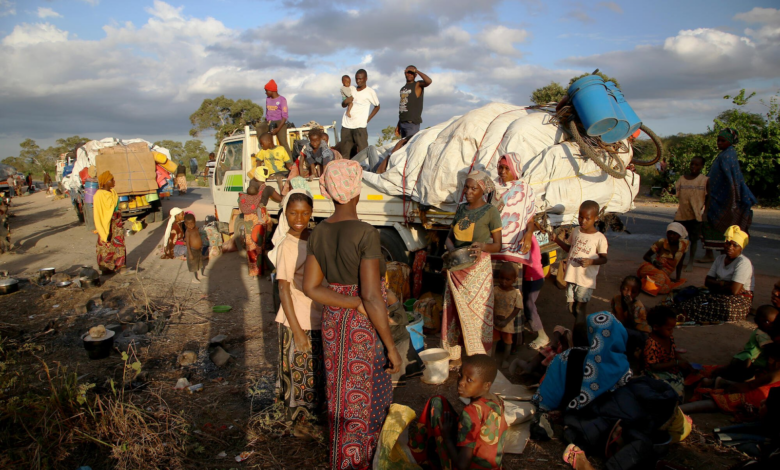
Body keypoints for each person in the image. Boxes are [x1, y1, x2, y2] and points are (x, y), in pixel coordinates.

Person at [302, 159, 401, 469]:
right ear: (357, 190)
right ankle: (363, 461)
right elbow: (371, 296)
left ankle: (342, 458)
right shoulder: (365, 233)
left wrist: (347, 302)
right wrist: (391, 346)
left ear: (330, 192)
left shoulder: (318, 231)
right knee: (368, 393)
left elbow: (312, 287)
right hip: (363, 323)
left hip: (335, 320)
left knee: (341, 391)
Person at [272, 189, 326, 426]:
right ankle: (299, 425)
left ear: (312, 214)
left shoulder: (315, 238)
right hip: (298, 319)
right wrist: (296, 331)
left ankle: (313, 420)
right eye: (293, 213)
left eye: (304, 213)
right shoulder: (287, 245)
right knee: (300, 374)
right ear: (285, 213)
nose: (299, 219)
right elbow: (283, 289)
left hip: (317, 315)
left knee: (314, 372)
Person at [442, 170, 502, 362]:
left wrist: (482, 246)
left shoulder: (491, 212)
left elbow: (498, 245)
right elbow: (449, 237)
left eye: (473, 188)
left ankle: (477, 358)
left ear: (482, 190)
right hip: (456, 267)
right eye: (466, 187)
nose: (468, 191)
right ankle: (456, 355)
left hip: (477, 270)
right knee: (455, 312)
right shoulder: (461, 209)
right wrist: (451, 250)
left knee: (476, 314)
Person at [408, 354, 508, 470]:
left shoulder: (471, 411)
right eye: (460, 375)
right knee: (441, 403)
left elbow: (462, 465)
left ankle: (420, 455)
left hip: (466, 465)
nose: (461, 382)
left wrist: (447, 438)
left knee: (435, 404)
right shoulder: (498, 401)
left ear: (486, 385)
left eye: (469, 380)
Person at [491, 153, 547, 350]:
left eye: (507, 168)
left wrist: (527, 234)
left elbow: (530, 217)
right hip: (494, 248)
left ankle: (514, 341)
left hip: (514, 249)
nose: (503, 172)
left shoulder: (525, 189)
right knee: (496, 295)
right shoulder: (492, 187)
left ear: (515, 170)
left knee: (514, 296)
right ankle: (495, 337)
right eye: (500, 167)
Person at [699, 128, 757, 263]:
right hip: (715, 197)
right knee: (709, 224)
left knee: (719, 227)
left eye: (722, 140)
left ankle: (721, 255)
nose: (719, 143)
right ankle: (710, 254)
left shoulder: (728, 156)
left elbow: (732, 179)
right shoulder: (724, 154)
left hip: (723, 199)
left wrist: (733, 198)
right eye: (718, 140)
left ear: (730, 142)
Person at [679, 225, 754, 323]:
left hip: (738, 300)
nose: (730, 247)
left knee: (706, 309)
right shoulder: (720, 259)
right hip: (719, 294)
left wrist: (717, 283)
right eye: (727, 243)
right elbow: (707, 281)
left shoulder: (743, 262)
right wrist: (724, 284)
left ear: (741, 248)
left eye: (735, 245)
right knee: (688, 302)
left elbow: (734, 290)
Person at [682, 343, 780, 417]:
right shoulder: (767, 373)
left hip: (759, 398)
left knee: (723, 399)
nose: (768, 363)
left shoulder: (768, 384)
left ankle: (680, 409)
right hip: (758, 391)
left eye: (770, 361)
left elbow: (760, 383)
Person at [554, 200, 608, 320]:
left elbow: (604, 259)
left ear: (596, 218)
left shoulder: (600, 238)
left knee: (580, 309)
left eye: (587, 218)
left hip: (585, 281)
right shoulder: (576, 231)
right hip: (572, 276)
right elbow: (570, 248)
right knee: (572, 308)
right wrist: (556, 240)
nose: (583, 221)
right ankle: (581, 326)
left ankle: (581, 330)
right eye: (580, 217)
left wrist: (591, 262)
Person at [705, 305, 778, 383]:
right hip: (746, 358)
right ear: (756, 321)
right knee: (742, 375)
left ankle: (716, 377)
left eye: (774, 323)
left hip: (750, 360)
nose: (771, 325)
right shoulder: (761, 334)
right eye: (767, 322)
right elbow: (769, 348)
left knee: (733, 371)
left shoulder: (766, 332)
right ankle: (719, 379)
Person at [644, 306, 693, 399]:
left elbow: (673, 352)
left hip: (671, 369)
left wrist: (683, 362)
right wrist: (676, 363)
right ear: (656, 327)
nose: (672, 332)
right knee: (674, 394)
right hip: (657, 373)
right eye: (669, 329)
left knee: (695, 373)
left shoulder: (668, 338)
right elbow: (653, 366)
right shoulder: (651, 344)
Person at [238, 174, 281, 277]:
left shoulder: (244, 201)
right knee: (260, 248)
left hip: (249, 231)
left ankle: (253, 271)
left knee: (251, 249)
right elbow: (279, 199)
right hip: (258, 229)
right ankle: (261, 270)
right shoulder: (258, 200)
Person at [673, 156, 707, 271]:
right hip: (682, 214)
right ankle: (676, 259)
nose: (693, 166)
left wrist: (705, 213)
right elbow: (677, 193)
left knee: (693, 239)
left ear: (702, 166)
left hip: (696, 215)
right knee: (676, 237)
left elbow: (708, 197)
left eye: (697, 165)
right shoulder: (682, 179)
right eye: (692, 164)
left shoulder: (704, 180)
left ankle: (690, 261)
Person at [637, 222, 689, 296]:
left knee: (666, 288)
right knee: (660, 278)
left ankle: (643, 282)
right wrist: (654, 261)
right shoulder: (661, 242)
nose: (671, 236)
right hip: (652, 267)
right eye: (669, 233)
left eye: (674, 234)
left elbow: (680, 262)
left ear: (679, 235)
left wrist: (678, 278)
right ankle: (645, 284)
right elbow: (646, 256)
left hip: (665, 273)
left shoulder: (684, 245)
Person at [340, 69, 380, 159]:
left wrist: (367, 119)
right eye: (357, 79)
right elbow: (343, 104)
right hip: (346, 125)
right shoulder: (351, 89)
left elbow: (377, 106)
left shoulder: (370, 92)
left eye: (361, 79)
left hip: (360, 127)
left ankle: (365, 171)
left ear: (366, 79)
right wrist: (346, 101)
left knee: (363, 153)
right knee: (346, 154)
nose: (358, 81)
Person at [93, 171, 126, 274]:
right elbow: (98, 213)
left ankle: (120, 266)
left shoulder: (113, 192)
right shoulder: (99, 195)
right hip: (105, 222)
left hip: (116, 222)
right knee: (105, 244)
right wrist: (102, 228)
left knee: (118, 243)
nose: (114, 182)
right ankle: (105, 267)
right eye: (112, 180)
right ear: (106, 182)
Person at [611, 275, 649, 360]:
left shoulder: (638, 306)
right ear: (621, 287)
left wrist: (629, 306)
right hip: (623, 328)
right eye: (626, 289)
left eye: (633, 292)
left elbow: (633, 325)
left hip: (639, 334)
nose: (628, 294)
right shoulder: (616, 299)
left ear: (638, 293)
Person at [492, 263, 522, 368]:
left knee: (508, 342)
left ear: (514, 280)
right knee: (494, 340)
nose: (504, 282)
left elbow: (518, 308)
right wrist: (494, 318)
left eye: (507, 279)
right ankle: (491, 358)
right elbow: (490, 304)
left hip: (508, 323)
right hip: (495, 321)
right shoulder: (495, 290)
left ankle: (505, 360)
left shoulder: (516, 293)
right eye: (501, 278)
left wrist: (507, 320)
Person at [257, 79, 291, 156]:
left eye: (266, 91)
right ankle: (264, 150)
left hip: (280, 121)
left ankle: (290, 163)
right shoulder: (268, 99)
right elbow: (267, 111)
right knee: (259, 128)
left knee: (283, 142)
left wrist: (278, 129)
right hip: (269, 121)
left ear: (271, 90)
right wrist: (267, 121)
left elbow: (285, 116)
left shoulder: (282, 99)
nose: (265, 93)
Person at [397, 65, 432, 139]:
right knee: (403, 148)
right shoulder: (403, 88)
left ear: (415, 75)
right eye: (408, 72)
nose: (409, 74)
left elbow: (429, 81)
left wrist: (417, 71)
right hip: (402, 123)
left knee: (409, 146)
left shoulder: (417, 85)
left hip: (412, 124)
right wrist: (398, 125)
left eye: (411, 73)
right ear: (405, 73)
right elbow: (403, 106)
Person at [184, 213, 205, 283]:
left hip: (198, 249)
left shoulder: (196, 229)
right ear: (185, 224)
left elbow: (198, 237)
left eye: (192, 223)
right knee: (193, 265)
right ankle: (194, 278)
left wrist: (201, 245)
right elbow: (187, 243)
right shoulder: (188, 232)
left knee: (199, 262)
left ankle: (200, 275)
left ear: (195, 222)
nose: (190, 225)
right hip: (192, 250)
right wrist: (189, 253)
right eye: (188, 224)